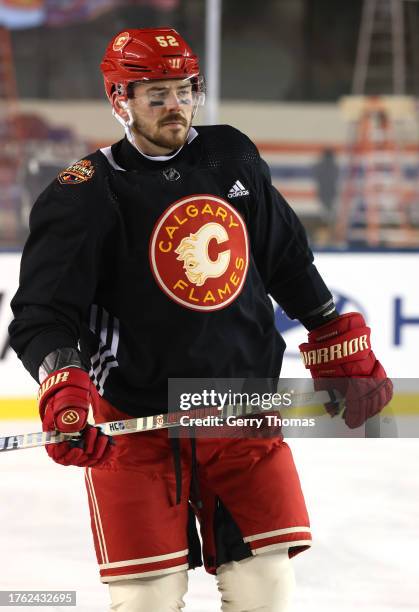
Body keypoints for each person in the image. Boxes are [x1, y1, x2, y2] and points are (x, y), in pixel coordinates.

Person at [8, 28, 393, 612]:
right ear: (120, 99)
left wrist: (330, 332)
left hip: (242, 418)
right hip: (137, 433)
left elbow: (284, 256)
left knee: (266, 594)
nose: (176, 106)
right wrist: (64, 380)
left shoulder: (230, 155)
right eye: (156, 93)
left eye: (185, 89)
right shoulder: (83, 194)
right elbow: (41, 313)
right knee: (148, 603)